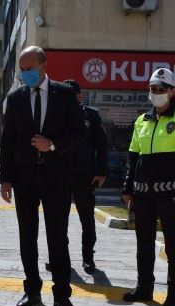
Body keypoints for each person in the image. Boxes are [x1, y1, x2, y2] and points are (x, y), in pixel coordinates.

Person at [0, 46, 86, 306]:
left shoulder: (65, 94)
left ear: (44, 66)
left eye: (29, 69)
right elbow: (7, 141)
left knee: (57, 236)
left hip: (56, 178)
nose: (25, 74)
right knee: (28, 236)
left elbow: (80, 133)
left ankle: (62, 294)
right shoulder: (15, 98)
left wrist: (52, 145)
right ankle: (32, 290)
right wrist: (6, 179)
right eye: (22, 70)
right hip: (25, 178)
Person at [121, 67, 175, 306]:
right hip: (143, 193)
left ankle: (174, 294)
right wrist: (127, 188)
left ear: (172, 91)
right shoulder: (141, 121)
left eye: (161, 89)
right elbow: (133, 157)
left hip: (172, 194)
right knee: (143, 243)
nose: (156, 94)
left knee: (173, 246)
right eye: (153, 89)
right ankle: (144, 288)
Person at [62, 79, 108, 273]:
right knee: (58, 221)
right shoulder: (54, 116)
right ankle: (58, 257)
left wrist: (101, 172)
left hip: (85, 176)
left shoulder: (91, 115)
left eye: (72, 94)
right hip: (60, 176)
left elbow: (102, 146)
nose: (69, 99)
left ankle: (88, 258)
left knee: (87, 220)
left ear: (79, 95)